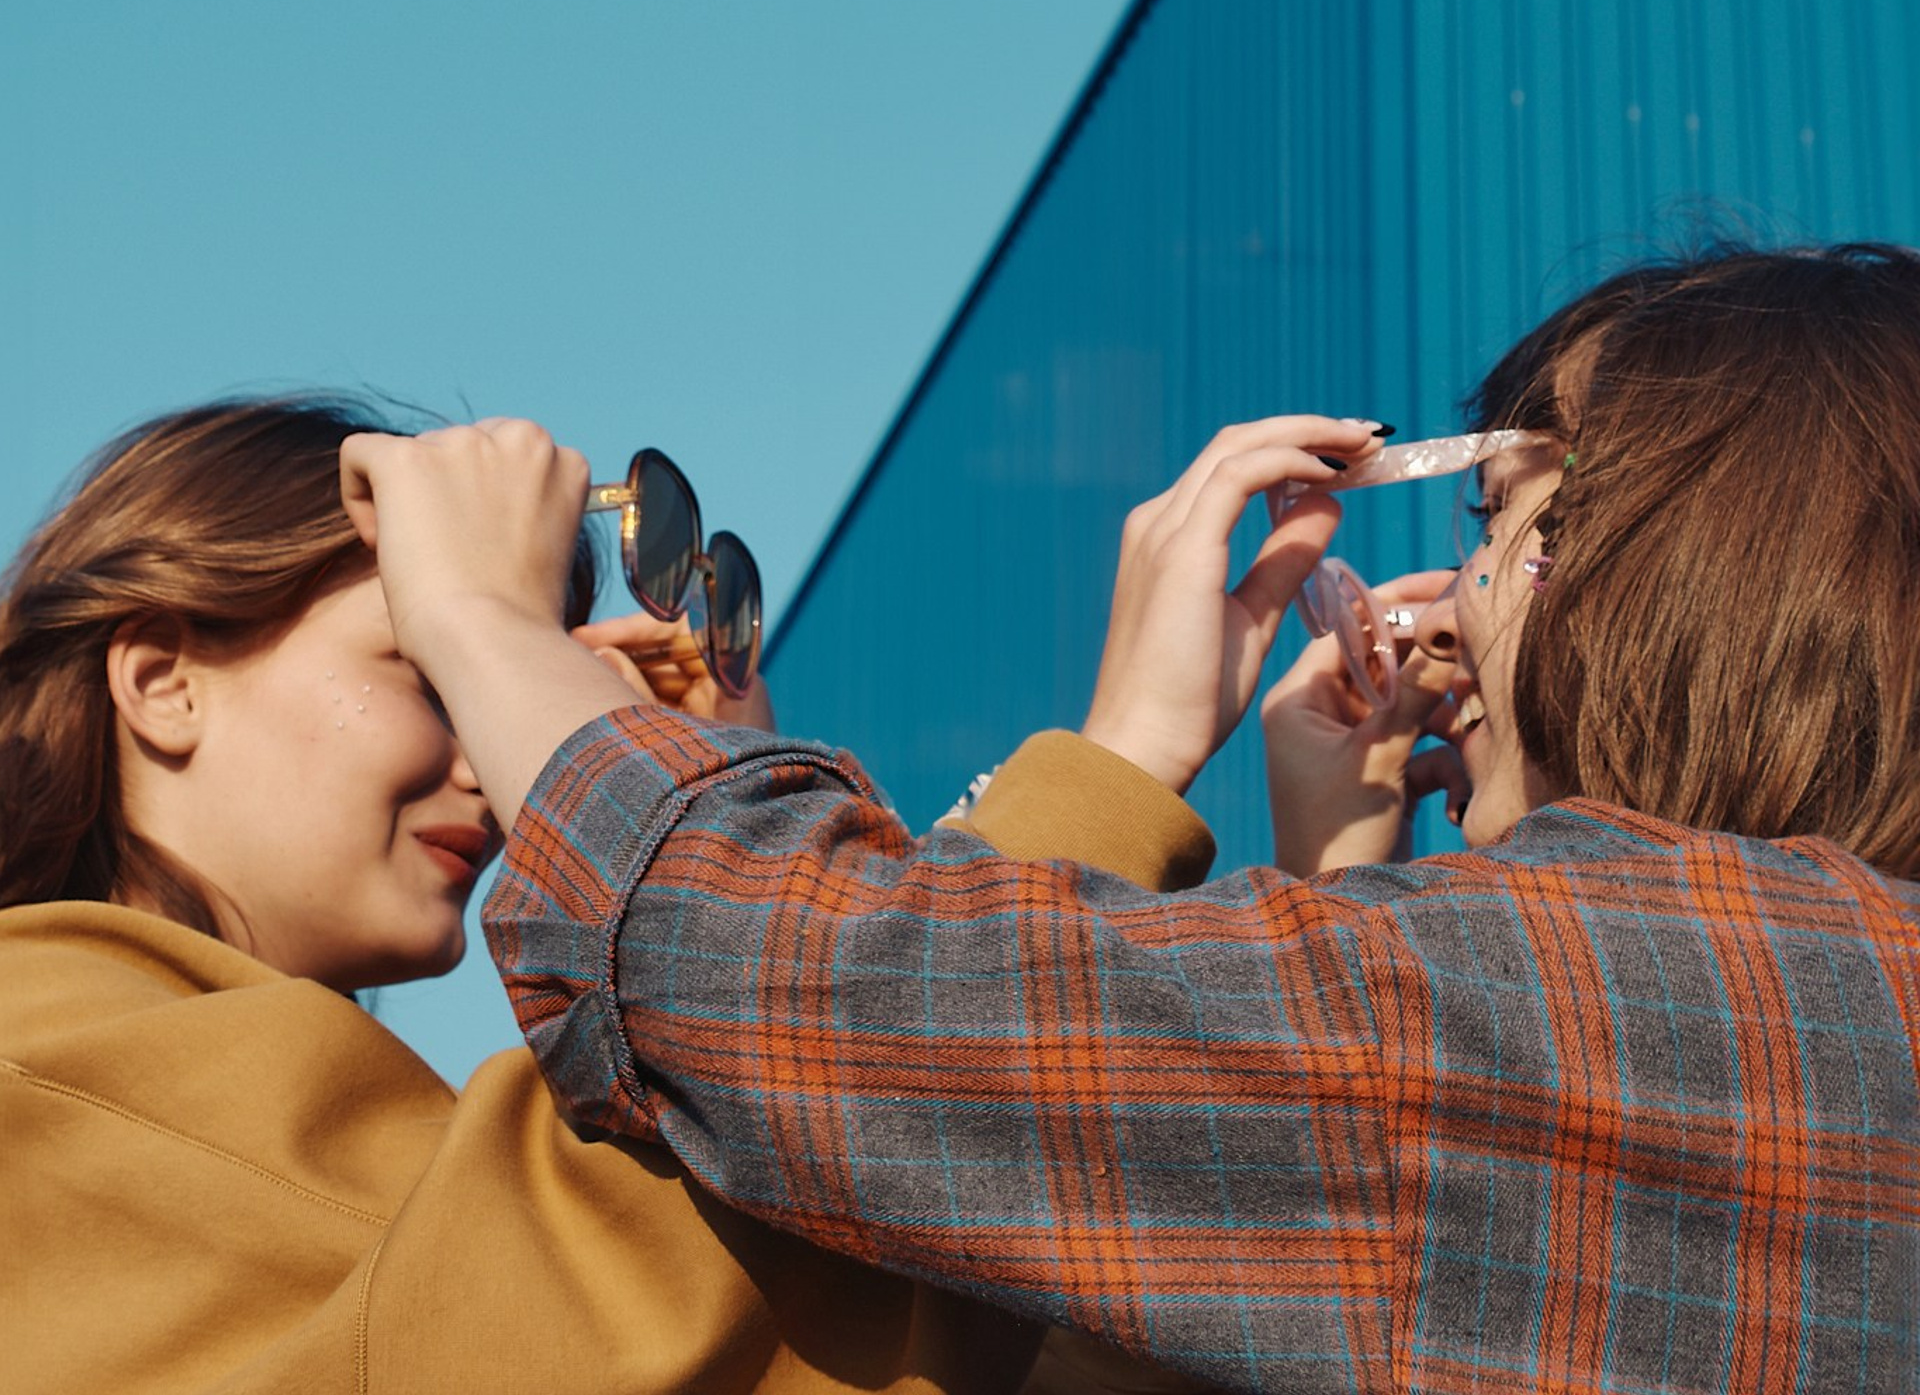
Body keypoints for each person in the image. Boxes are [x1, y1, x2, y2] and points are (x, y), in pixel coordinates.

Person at [336, 246, 1917, 1394]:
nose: (1441, 621)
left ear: (1669, 565)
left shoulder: (1532, 1015)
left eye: (1492, 519)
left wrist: (485, 624)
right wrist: (1340, 866)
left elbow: (760, 972)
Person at [0, 393, 1236, 1395]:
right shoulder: (38, 1049)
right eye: (432, 672)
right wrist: (717, 886)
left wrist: (717, 846)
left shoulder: (195, 1097)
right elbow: (608, 1335)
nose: (490, 765)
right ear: (164, 681)